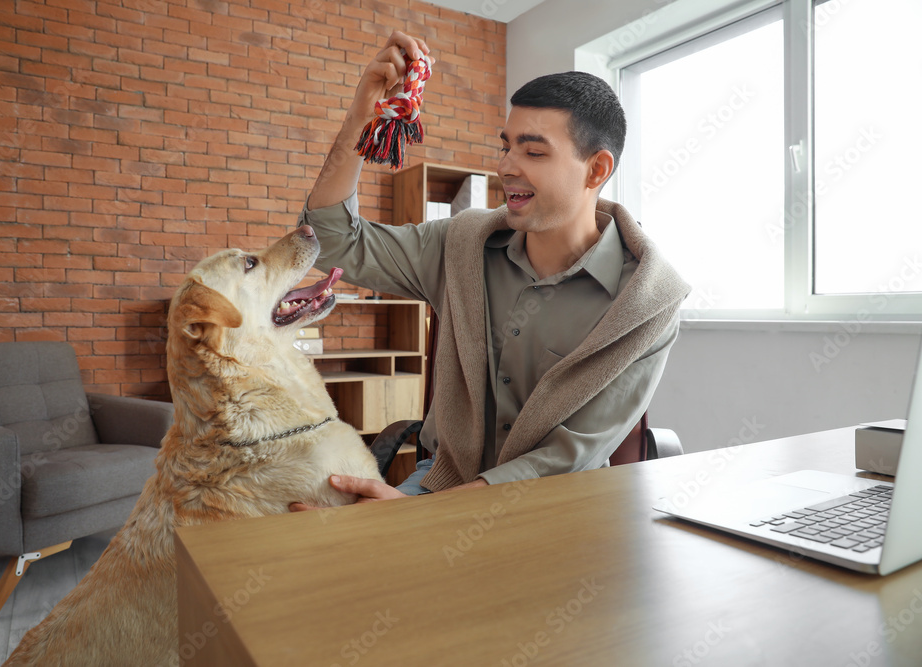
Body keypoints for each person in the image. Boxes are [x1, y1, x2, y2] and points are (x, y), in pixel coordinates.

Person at [290, 31, 689, 510]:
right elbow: (332, 243)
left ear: (596, 170)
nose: (507, 166)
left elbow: (567, 458)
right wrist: (364, 113)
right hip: (440, 483)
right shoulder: (462, 243)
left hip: (557, 506)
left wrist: (421, 520)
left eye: (534, 152)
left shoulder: (647, 302)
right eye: (507, 146)